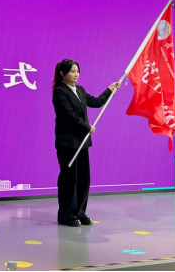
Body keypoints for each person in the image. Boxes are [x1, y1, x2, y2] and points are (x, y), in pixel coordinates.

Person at [52, 59, 120, 227]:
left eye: (77, 71)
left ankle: (80, 213)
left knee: (83, 179)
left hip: (82, 142)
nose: (76, 74)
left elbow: (96, 102)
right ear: (62, 73)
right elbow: (68, 115)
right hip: (68, 143)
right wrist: (87, 127)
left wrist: (110, 90)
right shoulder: (59, 91)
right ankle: (67, 215)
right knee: (69, 180)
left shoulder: (80, 90)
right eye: (72, 71)